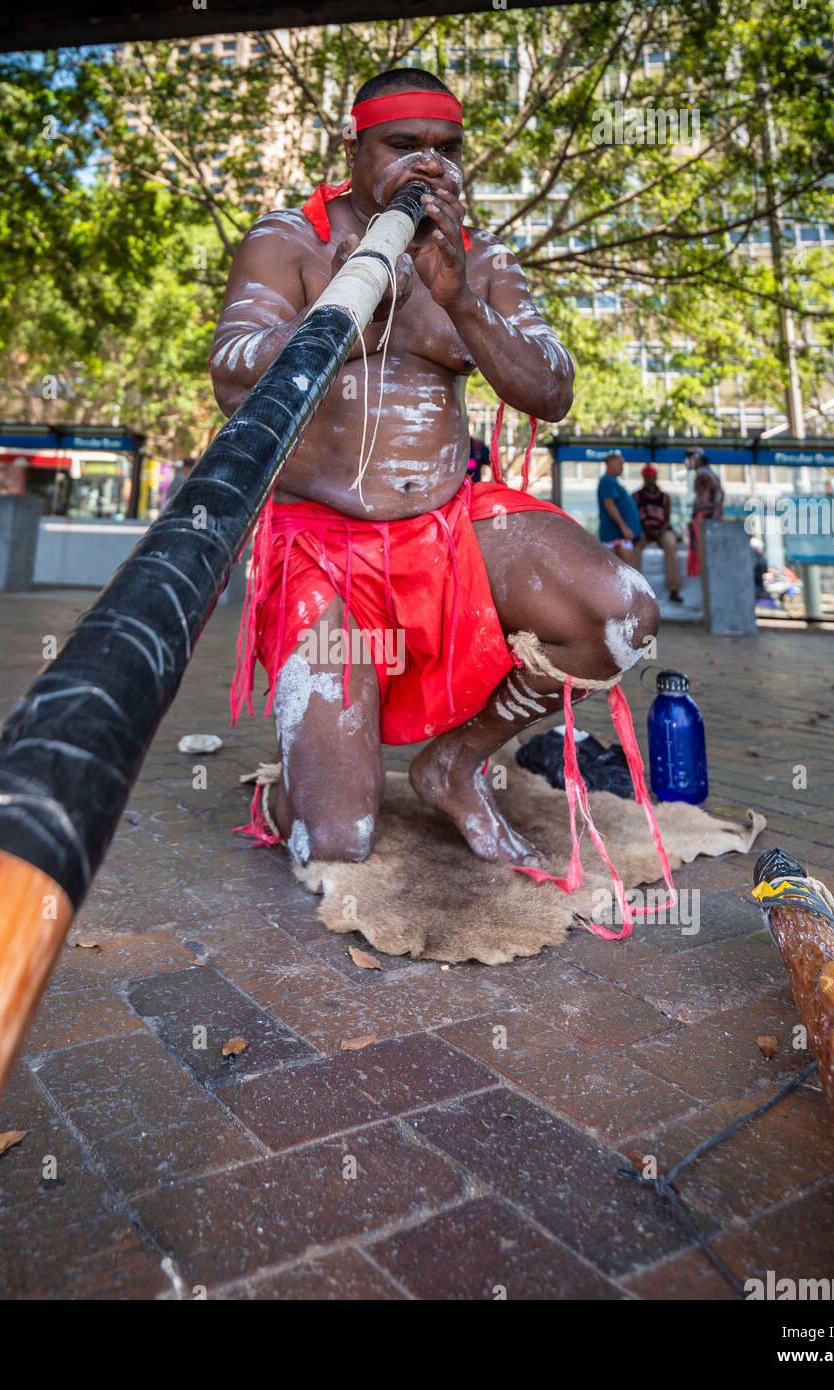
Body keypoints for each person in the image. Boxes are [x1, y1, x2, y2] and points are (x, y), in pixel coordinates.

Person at [211, 67, 658, 869]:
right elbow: (234, 375)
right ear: (354, 149)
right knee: (339, 839)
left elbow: (551, 390)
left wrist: (462, 305)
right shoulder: (290, 240)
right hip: (325, 552)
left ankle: (454, 763)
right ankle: (295, 784)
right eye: (404, 145)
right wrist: (352, 312)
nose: (430, 165)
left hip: (449, 533)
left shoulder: (478, 256)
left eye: (447, 148)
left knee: (619, 612)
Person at [633, 464, 682, 602]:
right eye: (647, 477)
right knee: (635, 546)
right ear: (643, 478)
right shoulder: (636, 496)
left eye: (652, 476)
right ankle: (636, 588)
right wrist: (645, 530)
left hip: (661, 530)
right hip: (644, 530)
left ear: (655, 477)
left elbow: (667, 517)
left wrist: (660, 530)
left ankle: (674, 588)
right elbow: (635, 516)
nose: (650, 479)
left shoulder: (664, 497)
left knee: (671, 545)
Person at [595, 451, 642, 570]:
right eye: (620, 464)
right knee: (629, 572)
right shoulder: (607, 481)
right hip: (617, 537)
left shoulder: (612, 481)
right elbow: (609, 505)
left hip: (621, 536)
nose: (622, 467)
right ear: (610, 463)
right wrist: (624, 527)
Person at [685, 447, 724, 578]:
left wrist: (715, 514)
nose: (687, 462)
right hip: (706, 516)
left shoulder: (703, 473)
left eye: (689, 458)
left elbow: (719, 492)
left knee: (704, 551)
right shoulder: (706, 472)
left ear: (697, 458)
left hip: (706, 516)